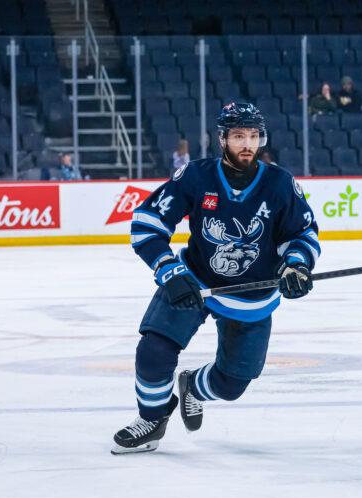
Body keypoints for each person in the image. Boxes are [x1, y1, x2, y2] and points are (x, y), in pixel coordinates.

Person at [112, 103, 320, 454]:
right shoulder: (196, 176)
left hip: (252, 294)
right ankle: (152, 419)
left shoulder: (280, 183)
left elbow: (302, 234)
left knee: (231, 384)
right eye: (239, 136)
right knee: (153, 351)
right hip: (195, 279)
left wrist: (296, 265)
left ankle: (193, 387)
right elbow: (148, 224)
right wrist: (169, 269)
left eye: (253, 136)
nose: (247, 144)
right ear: (222, 139)